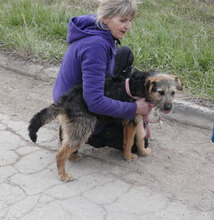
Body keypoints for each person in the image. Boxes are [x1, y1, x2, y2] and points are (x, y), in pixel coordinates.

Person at [53, 0, 150, 151]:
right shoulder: (95, 46)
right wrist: (133, 108)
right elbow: (94, 102)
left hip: (80, 92)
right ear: (105, 18)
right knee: (140, 144)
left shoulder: (99, 27)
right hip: (78, 107)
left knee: (124, 54)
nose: (128, 26)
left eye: (130, 21)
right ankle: (74, 132)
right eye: (123, 20)